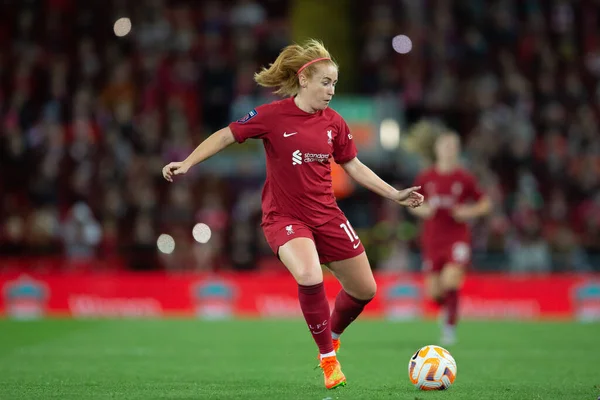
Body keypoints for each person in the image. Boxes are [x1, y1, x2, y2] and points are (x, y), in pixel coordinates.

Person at [162, 39, 424, 390]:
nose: (331, 90)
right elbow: (227, 135)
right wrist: (188, 162)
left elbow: (354, 167)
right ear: (304, 81)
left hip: (327, 215)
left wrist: (395, 194)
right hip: (285, 217)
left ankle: (331, 333)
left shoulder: (335, 123)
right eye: (325, 82)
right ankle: (328, 359)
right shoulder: (272, 115)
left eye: (334, 84)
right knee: (309, 273)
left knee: (365, 289)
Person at [409, 131, 491, 345]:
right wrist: (423, 210)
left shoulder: (464, 178)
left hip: (457, 238)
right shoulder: (426, 178)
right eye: (445, 146)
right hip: (432, 240)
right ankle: (448, 311)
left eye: (453, 146)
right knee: (435, 292)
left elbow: (485, 204)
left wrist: (468, 212)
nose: (449, 150)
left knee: (451, 279)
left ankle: (449, 328)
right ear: (437, 149)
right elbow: (412, 203)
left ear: (457, 150)